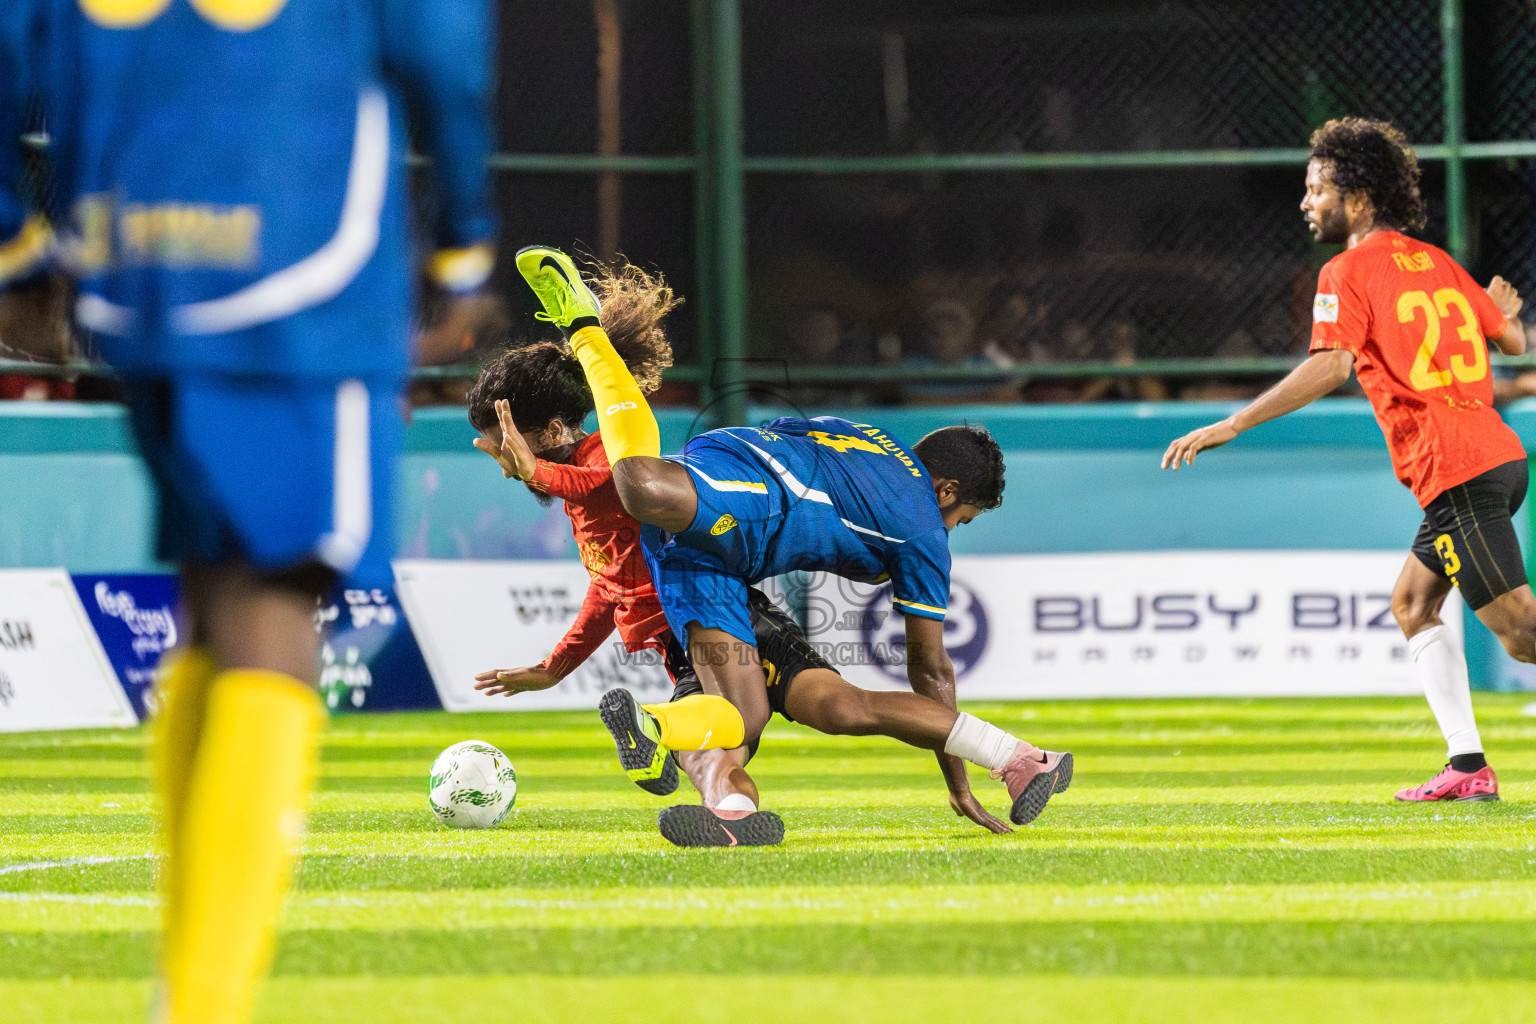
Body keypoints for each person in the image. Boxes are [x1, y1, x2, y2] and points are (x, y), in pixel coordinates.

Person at [0, 2, 506, 1022]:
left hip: (135, 277)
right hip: (303, 280)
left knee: (217, 597)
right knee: (280, 607)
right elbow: (444, 51)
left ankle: (182, 980)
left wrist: (15, 246)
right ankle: (201, 1002)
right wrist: (464, 245)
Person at [467, 261, 1068, 845]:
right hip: (748, 506)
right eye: (960, 520)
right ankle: (585, 328)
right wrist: (957, 782)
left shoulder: (867, 439)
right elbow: (931, 670)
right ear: (948, 490)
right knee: (644, 490)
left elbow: (780, 434)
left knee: (768, 715)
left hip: (727, 518)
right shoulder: (923, 529)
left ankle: (719, 799)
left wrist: (544, 477)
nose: (950, 530)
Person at [1162, 117, 1527, 803]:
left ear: (1357, 196)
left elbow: (1331, 364)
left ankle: (1469, 765)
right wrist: (1501, 313)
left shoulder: (1346, 270)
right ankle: (1468, 766)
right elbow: (1510, 337)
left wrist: (1235, 422)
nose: (1306, 203)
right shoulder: (1439, 262)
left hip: (1456, 469)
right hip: (1495, 460)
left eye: (1316, 188)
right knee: (1413, 603)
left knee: (1521, 633)